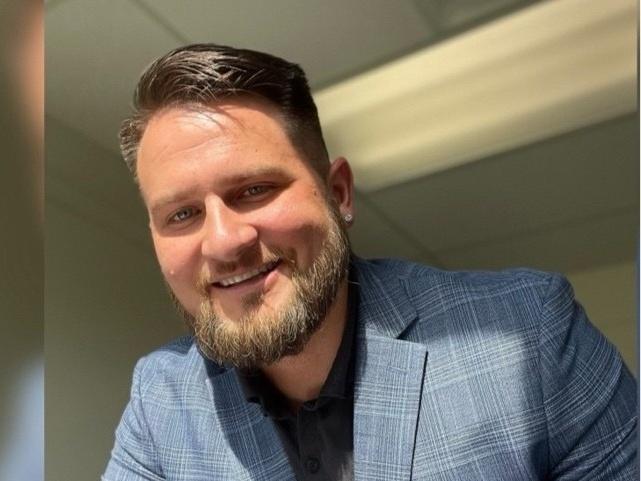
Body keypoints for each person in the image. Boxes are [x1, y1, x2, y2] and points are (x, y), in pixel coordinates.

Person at [103, 44, 636, 481]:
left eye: (255, 189)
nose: (222, 242)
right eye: (181, 214)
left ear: (338, 193)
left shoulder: (530, 335)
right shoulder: (160, 402)